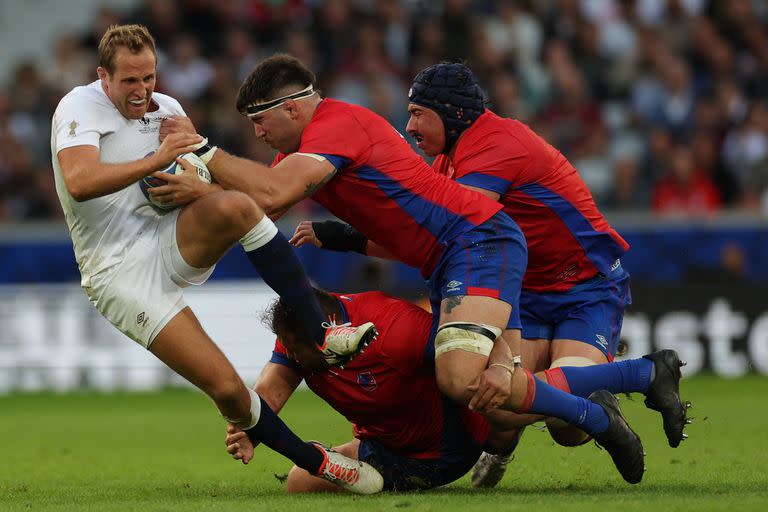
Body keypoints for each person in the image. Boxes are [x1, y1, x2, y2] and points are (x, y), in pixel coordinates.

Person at [163, 53, 649, 484]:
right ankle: (599, 399)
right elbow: (261, 209)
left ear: (292, 108)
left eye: (260, 121)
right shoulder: (299, 152)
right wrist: (203, 192)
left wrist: (203, 151)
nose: (258, 133)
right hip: (450, 257)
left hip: (477, 240)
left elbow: (271, 192)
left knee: (459, 381)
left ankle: (627, 384)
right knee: (493, 399)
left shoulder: (335, 124)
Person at [295, 61, 690, 487]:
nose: (408, 127)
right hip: (523, 289)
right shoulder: (449, 161)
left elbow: (445, 232)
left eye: (417, 113)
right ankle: (510, 446)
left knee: (562, 426)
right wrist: (345, 237)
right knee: (502, 398)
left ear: (451, 112)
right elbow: (428, 234)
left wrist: (350, 231)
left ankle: (644, 374)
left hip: (585, 287)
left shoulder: (498, 144)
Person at [50, 25, 381, 494]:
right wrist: (157, 159)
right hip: (118, 273)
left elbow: (197, 179)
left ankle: (321, 333)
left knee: (238, 206)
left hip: (169, 237)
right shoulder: (79, 106)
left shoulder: (169, 110)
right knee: (227, 389)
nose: (143, 91)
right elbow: (80, 180)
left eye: (150, 77)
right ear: (103, 75)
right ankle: (320, 462)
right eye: (129, 81)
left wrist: (195, 188)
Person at [225, 288, 689, 492]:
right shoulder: (302, 333)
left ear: (329, 333)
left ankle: (623, 386)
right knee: (299, 482)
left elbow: (485, 363)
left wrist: (504, 368)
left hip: (447, 444)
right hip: (384, 443)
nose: (294, 359)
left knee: (502, 396)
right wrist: (250, 427)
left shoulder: (400, 331)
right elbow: (269, 392)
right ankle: (634, 379)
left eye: (300, 353)